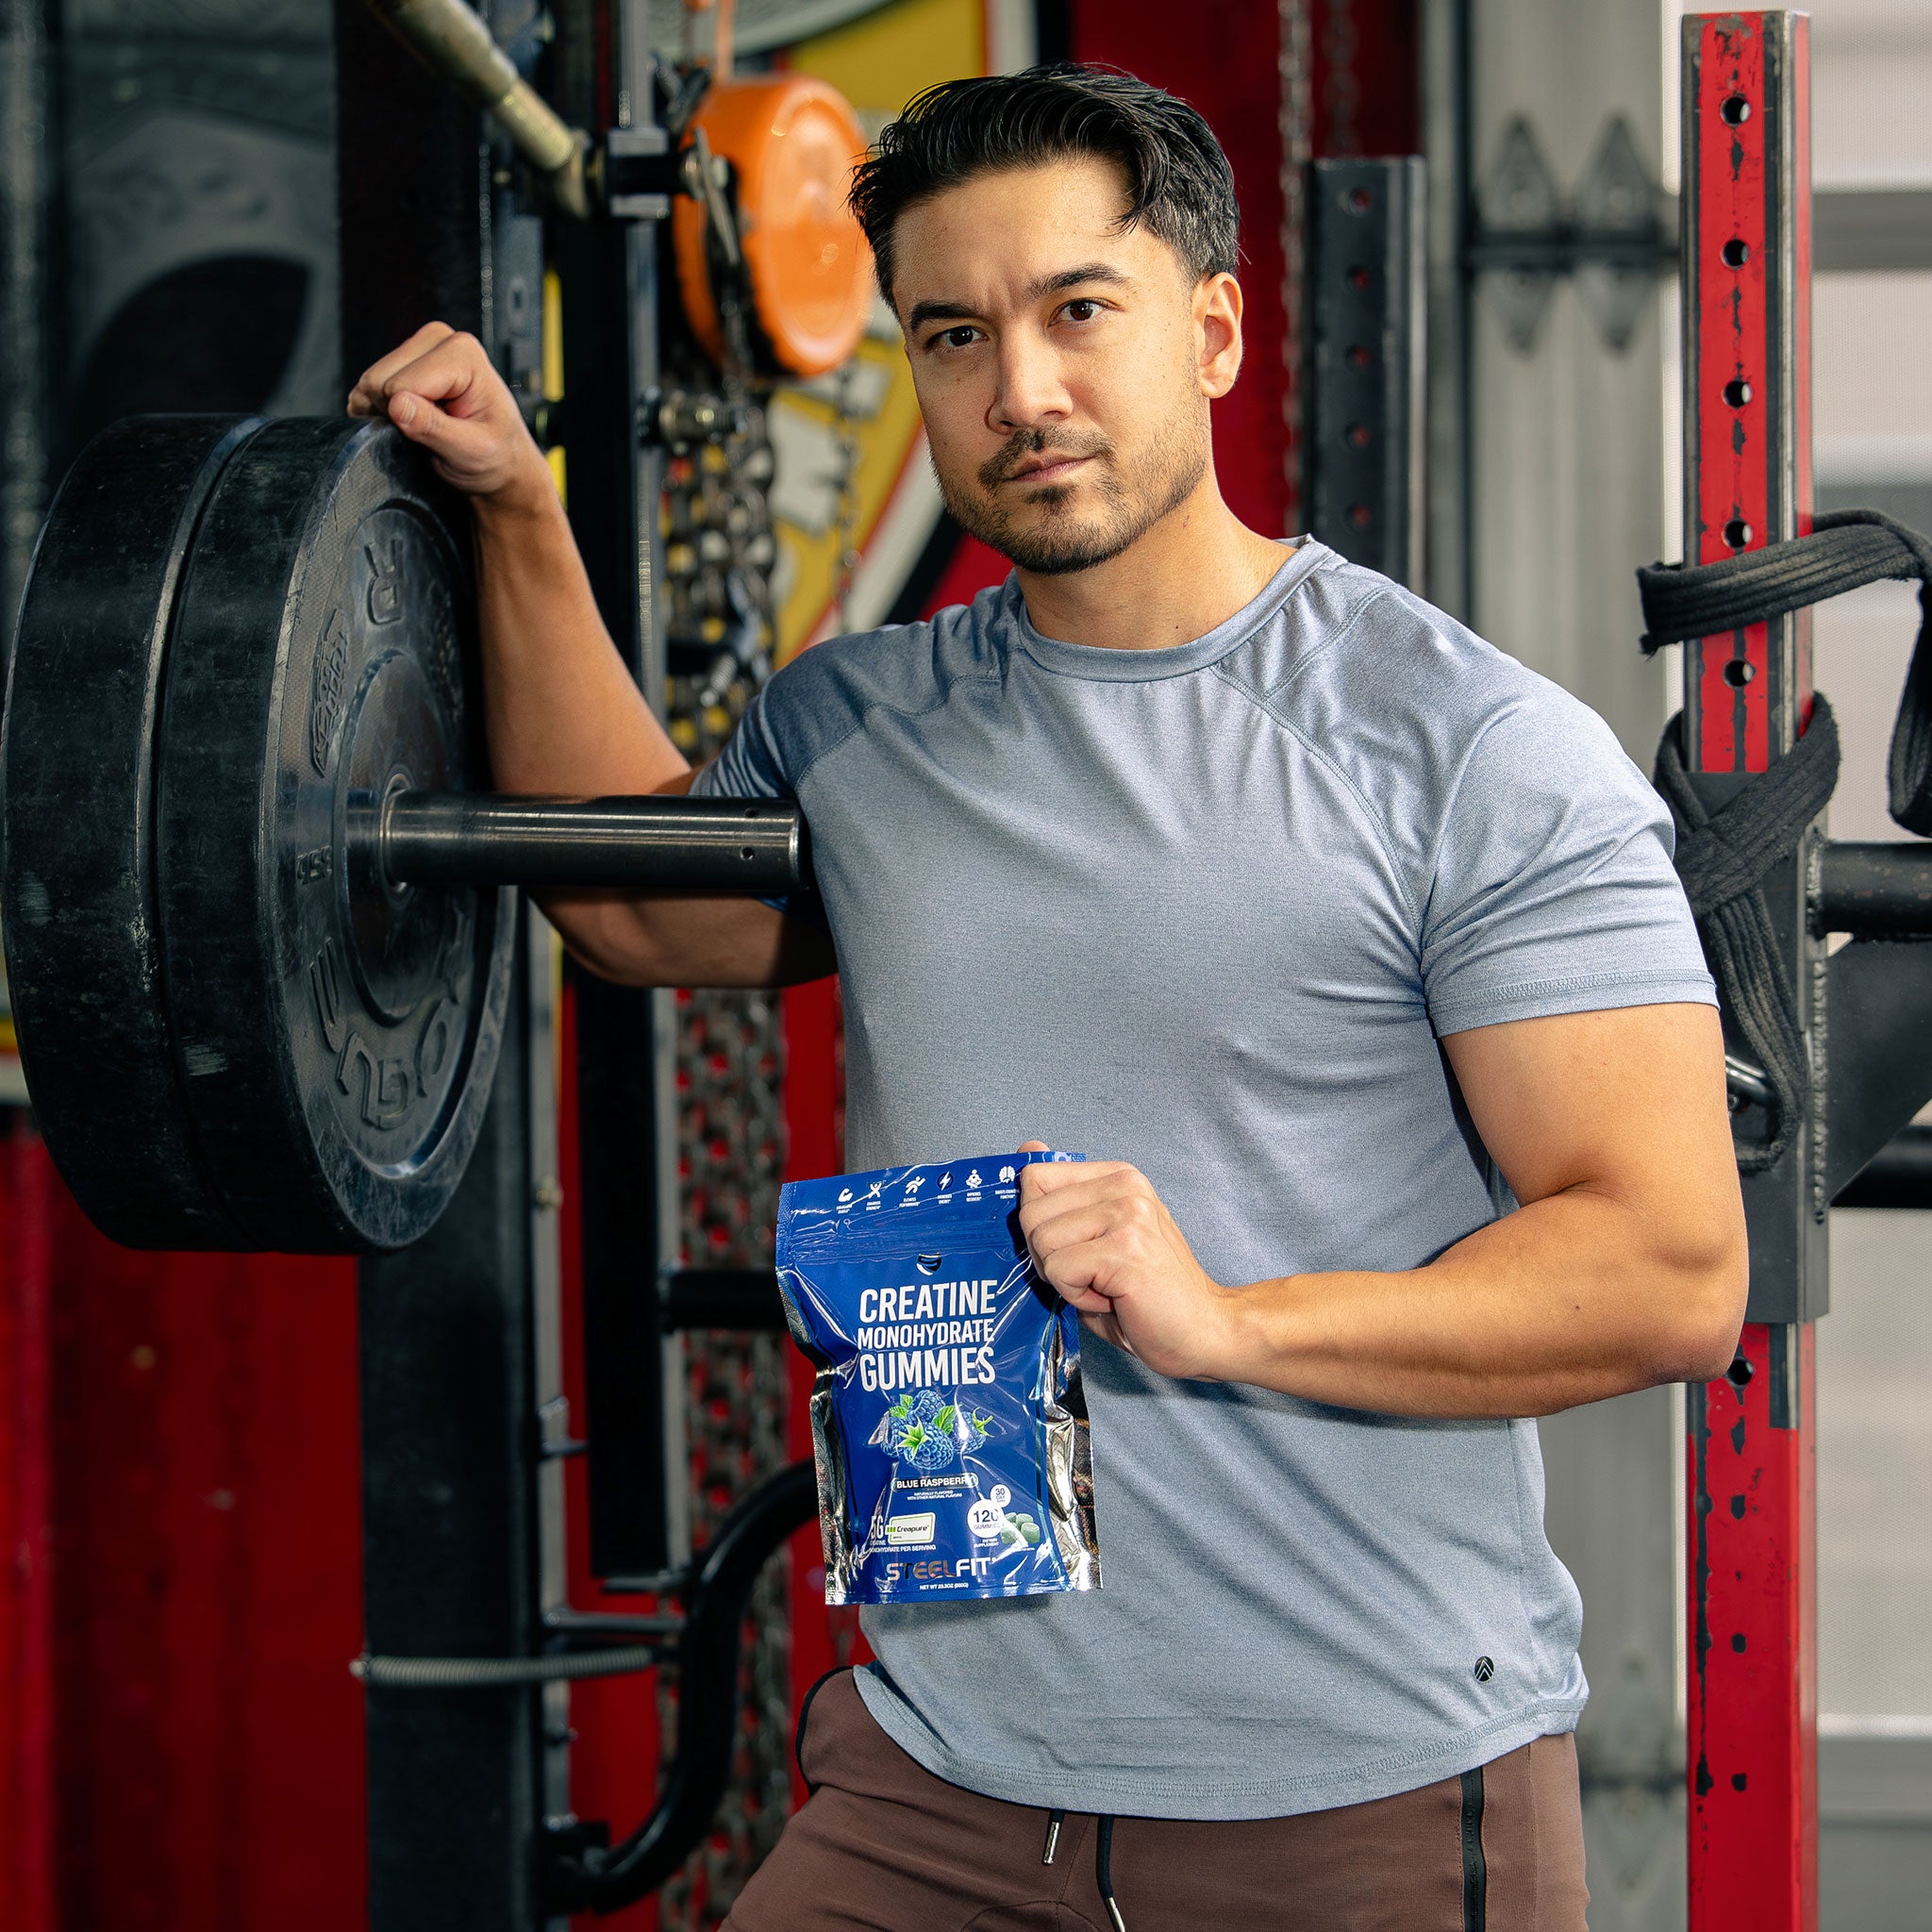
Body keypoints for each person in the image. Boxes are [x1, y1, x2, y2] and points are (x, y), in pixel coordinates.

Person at [348, 61, 1744, 1932]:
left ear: (1216, 330)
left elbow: (1667, 1268)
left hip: (1354, 1805)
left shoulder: (1465, 748)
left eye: (1078, 311)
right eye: (952, 335)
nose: (1020, 391)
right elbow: (629, 904)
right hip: (939, 1791)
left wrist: (1227, 1321)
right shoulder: (867, 720)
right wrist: (518, 507)